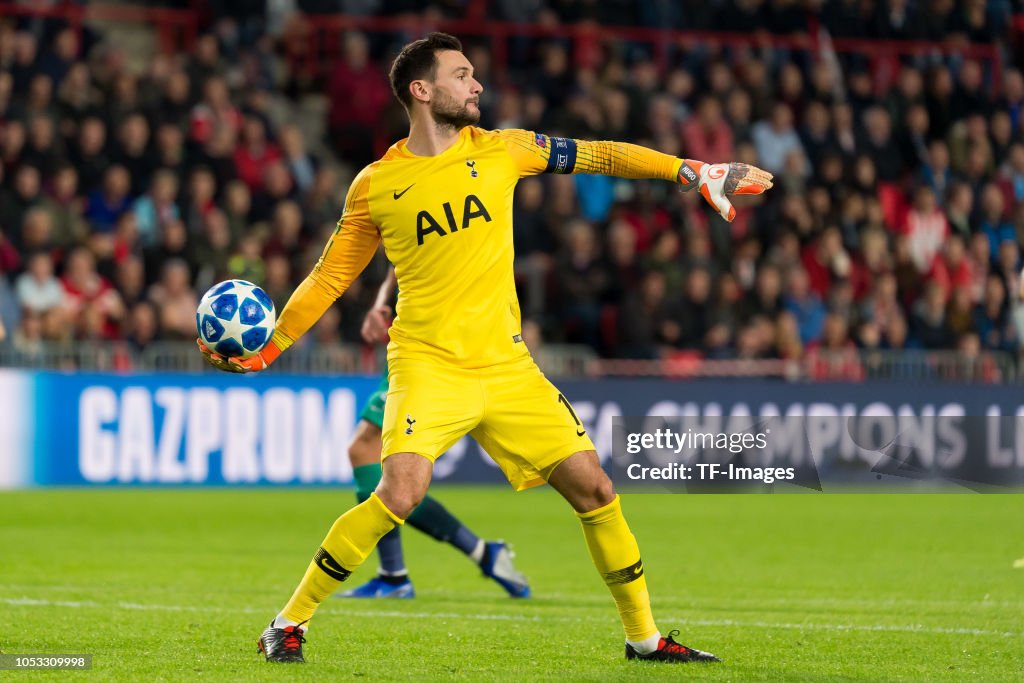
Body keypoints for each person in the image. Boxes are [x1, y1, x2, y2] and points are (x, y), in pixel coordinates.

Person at [199, 32, 772, 664]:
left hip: (507, 365)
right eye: (463, 75)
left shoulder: (506, 150)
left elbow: (600, 156)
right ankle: (287, 624)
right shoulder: (376, 185)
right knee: (399, 492)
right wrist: (269, 349)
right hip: (427, 364)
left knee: (596, 490)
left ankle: (644, 639)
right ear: (422, 90)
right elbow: (332, 275)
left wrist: (692, 171)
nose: (478, 86)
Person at [340, 266, 530, 599]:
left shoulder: (460, 229)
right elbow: (398, 263)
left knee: (371, 455)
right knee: (382, 468)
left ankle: (397, 576)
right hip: (415, 343)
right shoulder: (413, 223)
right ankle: (475, 556)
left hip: (437, 349)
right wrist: (381, 303)